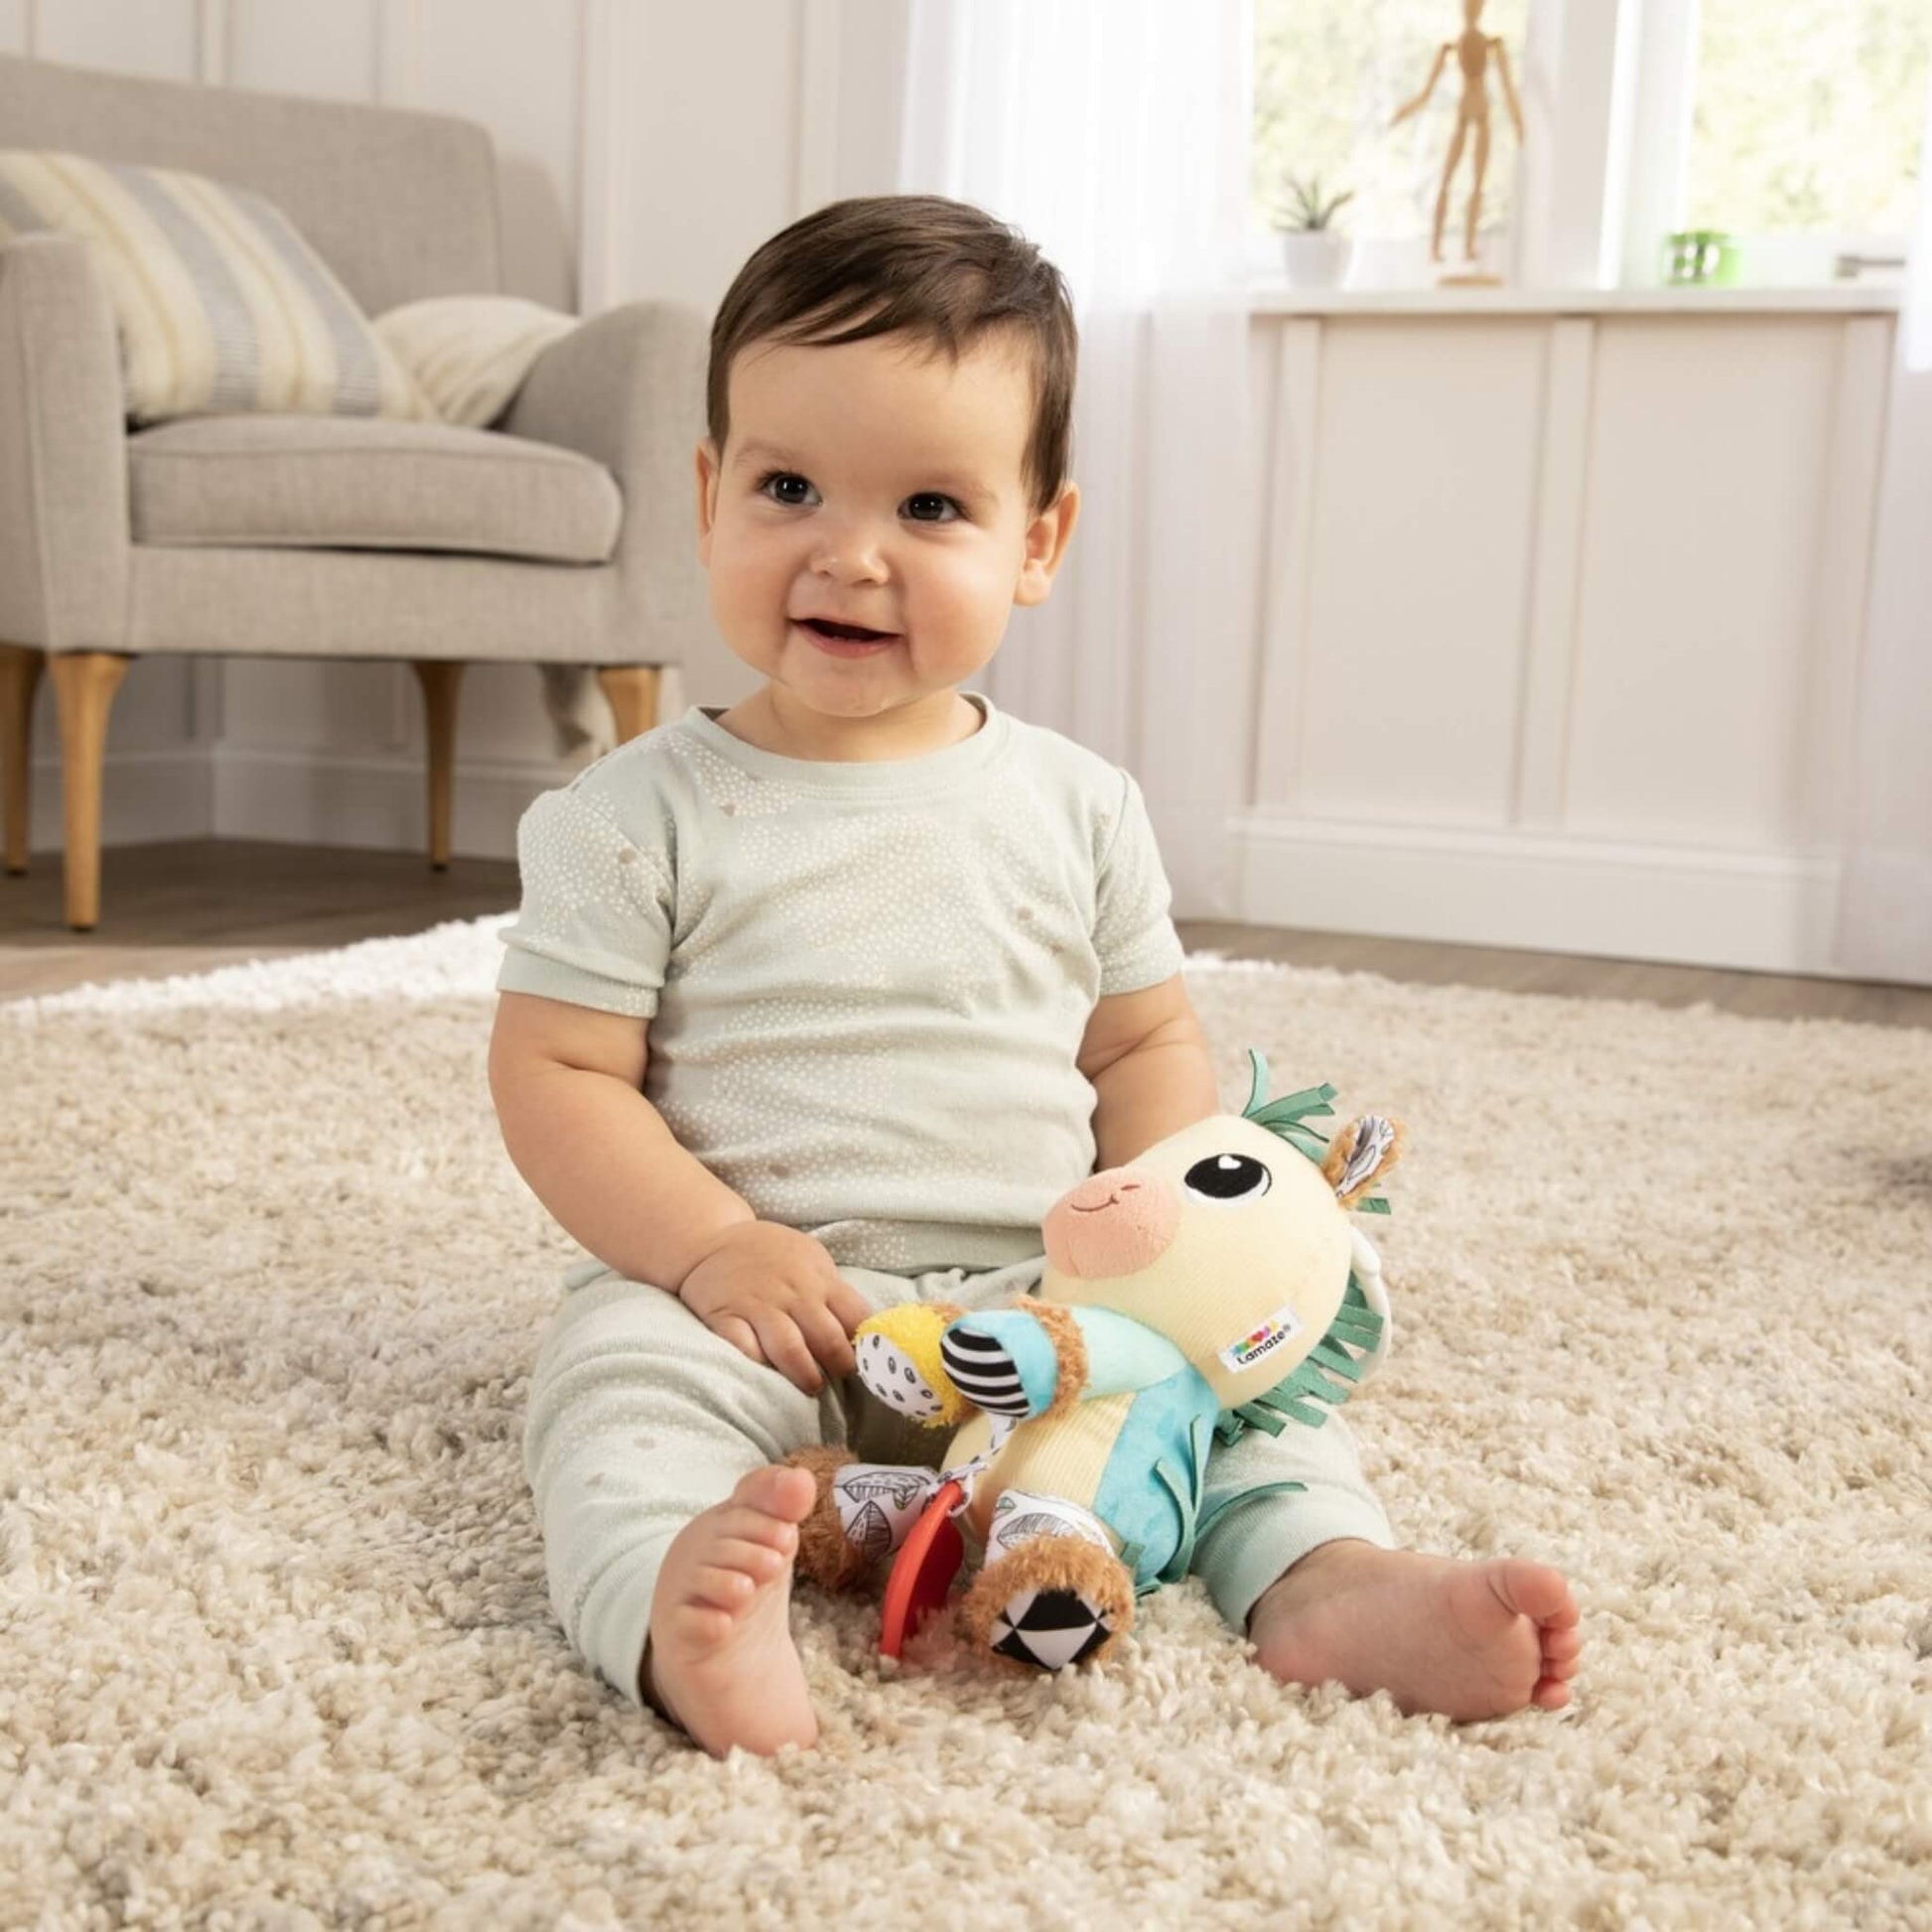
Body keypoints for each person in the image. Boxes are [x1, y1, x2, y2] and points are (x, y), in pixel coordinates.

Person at [489, 195, 1582, 1758]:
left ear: (1038, 543)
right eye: (789, 486)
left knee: (1244, 1414)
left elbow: (1143, 1040)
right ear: (708, 493)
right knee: (613, 1407)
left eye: (930, 506)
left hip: (1047, 1307)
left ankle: (1323, 1580)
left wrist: (1169, 1239)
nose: (848, 554)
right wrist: (712, 1248)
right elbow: (556, 1075)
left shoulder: (1077, 806)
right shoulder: (632, 815)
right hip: (750, 1314)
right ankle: (669, 1606)